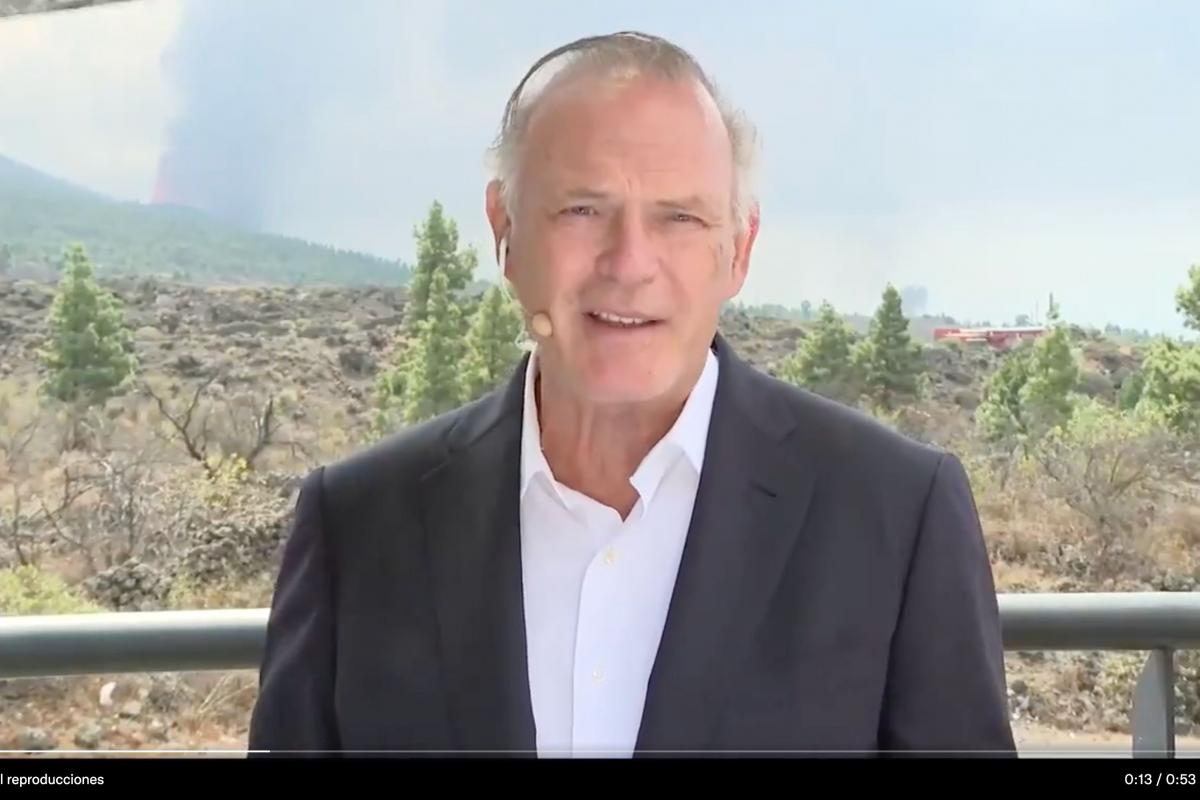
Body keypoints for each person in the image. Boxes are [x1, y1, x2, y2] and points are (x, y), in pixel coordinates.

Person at [247, 30, 1016, 758]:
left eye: (679, 218)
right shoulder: (359, 525)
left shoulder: (894, 514)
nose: (629, 262)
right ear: (504, 228)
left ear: (739, 249)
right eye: (584, 210)